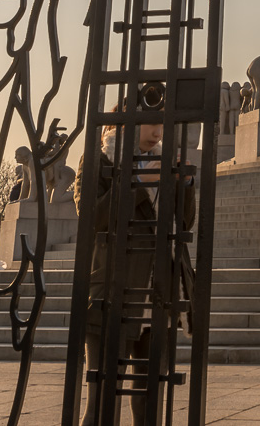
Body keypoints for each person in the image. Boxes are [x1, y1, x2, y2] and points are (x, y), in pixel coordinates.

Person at [83, 108, 196, 426]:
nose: (159, 129)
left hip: (158, 297)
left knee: (149, 407)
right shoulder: (102, 160)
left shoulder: (166, 161)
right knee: (102, 405)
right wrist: (135, 184)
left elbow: (184, 224)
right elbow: (93, 219)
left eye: (163, 122)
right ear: (129, 121)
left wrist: (185, 184)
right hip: (112, 297)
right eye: (153, 121)